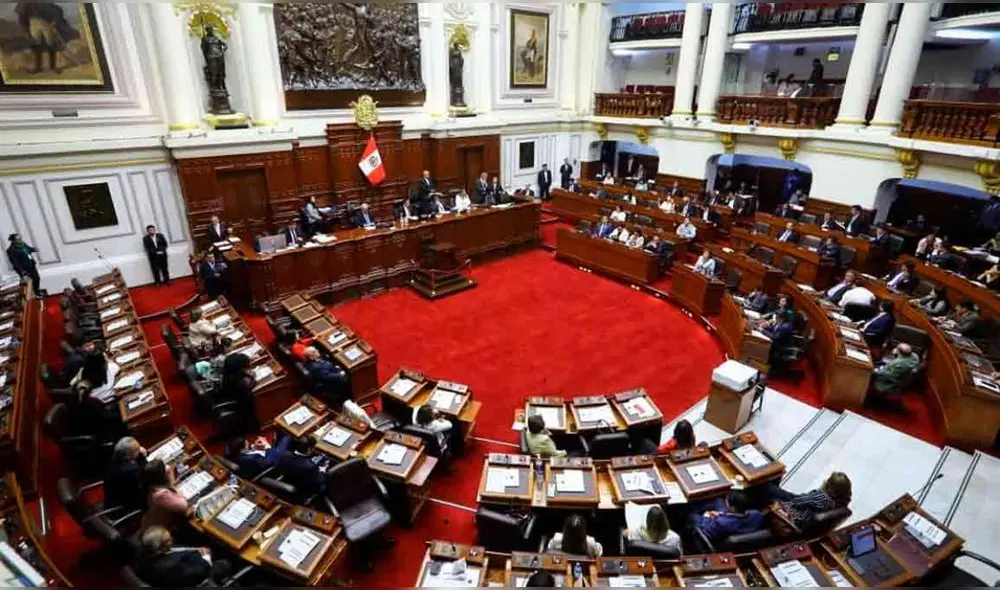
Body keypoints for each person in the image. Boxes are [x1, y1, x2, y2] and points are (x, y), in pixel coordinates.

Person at [134, 526, 232, 587]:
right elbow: (201, 572)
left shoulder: (147, 552)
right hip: (203, 573)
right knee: (226, 560)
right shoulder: (174, 569)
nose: (172, 538)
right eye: (169, 540)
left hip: (190, 558)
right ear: (161, 548)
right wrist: (206, 557)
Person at [759, 473, 852, 530]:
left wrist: (820, 490)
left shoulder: (821, 497)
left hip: (794, 513)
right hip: (805, 509)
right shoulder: (841, 503)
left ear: (830, 486)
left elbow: (796, 501)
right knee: (773, 489)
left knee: (768, 489)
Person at [690, 490, 766, 546]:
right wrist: (722, 514)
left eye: (727, 500)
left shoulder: (721, 523)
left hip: (717, 531)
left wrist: (706, 517)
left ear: (732, 508)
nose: (725, 501)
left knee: (692, 515)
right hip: (731, 523)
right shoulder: (757, 514)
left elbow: (705, 531)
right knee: (719, 500)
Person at [140, 459, 189, 530]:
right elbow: (183, 506)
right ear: (162, 475)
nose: (167, 468)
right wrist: (175, 488)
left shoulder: (151, 486)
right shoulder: (161, 495)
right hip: (158, 532)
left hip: (152, 523)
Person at [104, 436, 148, 512]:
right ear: (129, 454)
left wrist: (139, 453)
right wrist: (144, 456)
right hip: (125, 505)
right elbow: (147, 472)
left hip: (112, 499)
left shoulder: (113, 459)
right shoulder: (131, 470)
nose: (140, 450)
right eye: (137, 450)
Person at [221, 353, 258, 432]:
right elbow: (250, 385)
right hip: (242, 406)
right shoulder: (238, 383)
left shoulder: (229, 373)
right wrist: (252, 377)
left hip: (234, 398)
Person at [226, 434, 291, 479]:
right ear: (242, 449)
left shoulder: (232, 454)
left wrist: (254, 448)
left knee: (278, 437)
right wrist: (266, 445)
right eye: (246, 443)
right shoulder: (250, 459)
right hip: (273, 465)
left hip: (262, 459)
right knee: (286, 437)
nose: (248, 443)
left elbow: (247, 452)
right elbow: (268, 461)